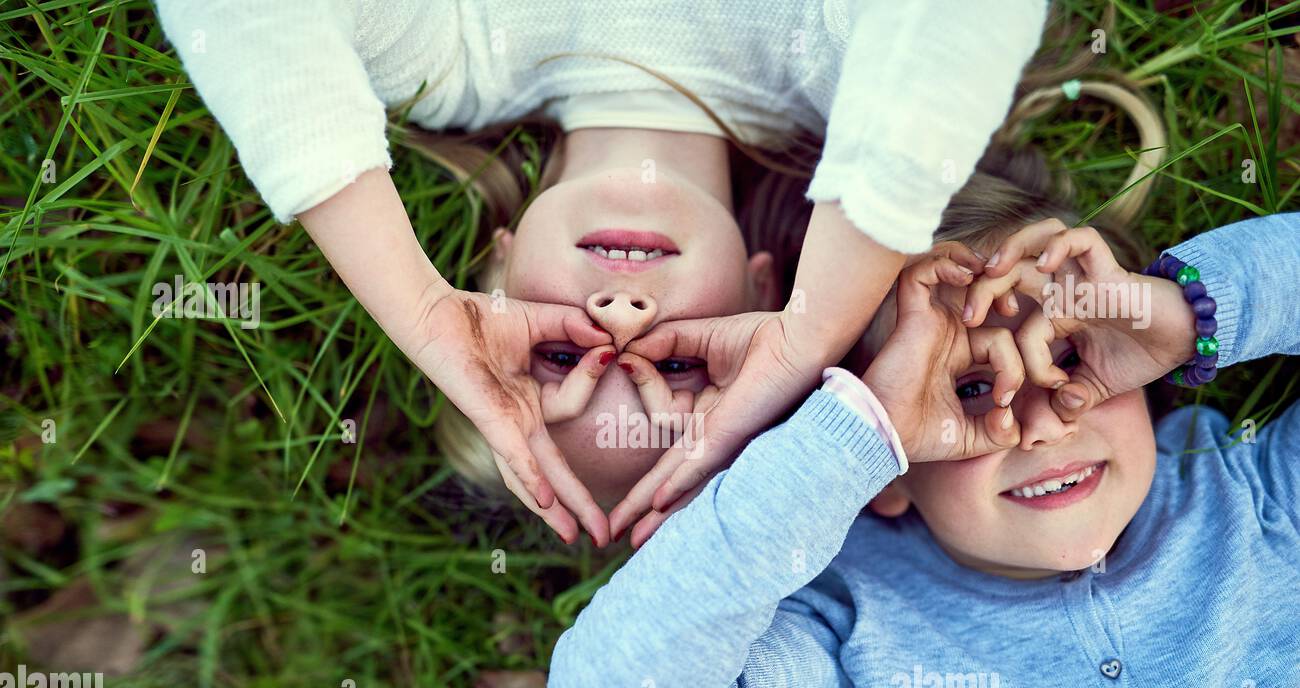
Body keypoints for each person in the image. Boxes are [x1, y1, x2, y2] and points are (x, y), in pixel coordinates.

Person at [545, 148, 1300, 688]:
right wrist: (853, 438)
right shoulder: (857, 623)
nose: (1043, 425)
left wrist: (1189, 312)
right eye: (970, 392)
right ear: (888, 473)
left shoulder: (1255, 494)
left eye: (1069, 356)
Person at [155, 0, 1048, 544]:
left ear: (493, 275)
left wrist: (423, 311)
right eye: (677, 363)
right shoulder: (842, 66)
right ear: (761, 301)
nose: (619, 318)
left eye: (557, 354)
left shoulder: (454, 52)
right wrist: (820, 326)